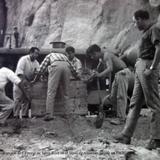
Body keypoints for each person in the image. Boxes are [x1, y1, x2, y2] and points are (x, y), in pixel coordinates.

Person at [114, 10, 160, 150]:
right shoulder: (147, 31)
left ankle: (156, 139)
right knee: (134, 103)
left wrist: (151, 68)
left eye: (135, 21)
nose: (135, 25)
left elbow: (159, 49)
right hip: (141, 65)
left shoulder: (155, 29)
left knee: (153, 104)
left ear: (141, 19)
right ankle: (126, 135)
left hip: (147, 66)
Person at [33, 51, 79, 121]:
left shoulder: (50, 55)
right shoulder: (65, 57)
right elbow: (73, 69)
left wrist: (35, 79)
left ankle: (49, 114)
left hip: (55, 66)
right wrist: (77, 77)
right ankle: (67, 114)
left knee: (51, 91)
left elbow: (41, 69)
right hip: (67, 67)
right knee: (66, 92)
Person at [0, 58, 29, 125]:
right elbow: (19, 82)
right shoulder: (8, 71)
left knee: (4, 105)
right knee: (11, 105)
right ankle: (0, 120)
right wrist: (26, 94)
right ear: (10, 65)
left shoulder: (1, 71)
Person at [13, 47, 40, 117]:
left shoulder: (36, 62)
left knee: (27, 99)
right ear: (31, 53)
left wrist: (34, 79)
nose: (37, 55)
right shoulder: (23, 59)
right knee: (18, 99)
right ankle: (15, 116)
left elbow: (38, 73)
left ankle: (24, 116)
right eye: (35, 53)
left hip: (28, 81)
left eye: (38, 54)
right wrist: (26, 84)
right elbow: (20, 73)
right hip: (19, 80)